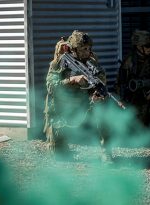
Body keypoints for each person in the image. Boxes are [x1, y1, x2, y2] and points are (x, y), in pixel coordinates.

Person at [43, 30, 112, 162]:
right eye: (83, 49)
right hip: (64, 105)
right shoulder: (59, 63)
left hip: (84, 103)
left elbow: (100, 83)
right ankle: (60, 145)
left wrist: (96, 95)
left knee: (104, 105)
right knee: (59, 157)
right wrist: (71, 80)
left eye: (89, 48)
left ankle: (106, 151)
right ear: (73, 49)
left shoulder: (93, 64)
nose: (87, 51)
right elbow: (50, 87)